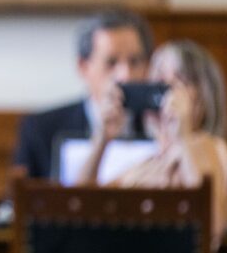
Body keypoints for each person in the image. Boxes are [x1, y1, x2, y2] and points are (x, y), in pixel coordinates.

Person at [77, 39, 227, 240]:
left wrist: (182, 136)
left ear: (200, 96)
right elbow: (77, 206)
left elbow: (213, 227)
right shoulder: (149, 163)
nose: (159, 93)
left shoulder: (203, 145)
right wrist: (102, 139)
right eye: (153, 81)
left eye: (174, 82)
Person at [13, 9, 154, 179]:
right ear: (83, 66)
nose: (125, 75)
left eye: (135, 61)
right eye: (111, 62)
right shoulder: (42, 130)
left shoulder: (159, 126)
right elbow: (18, 202)